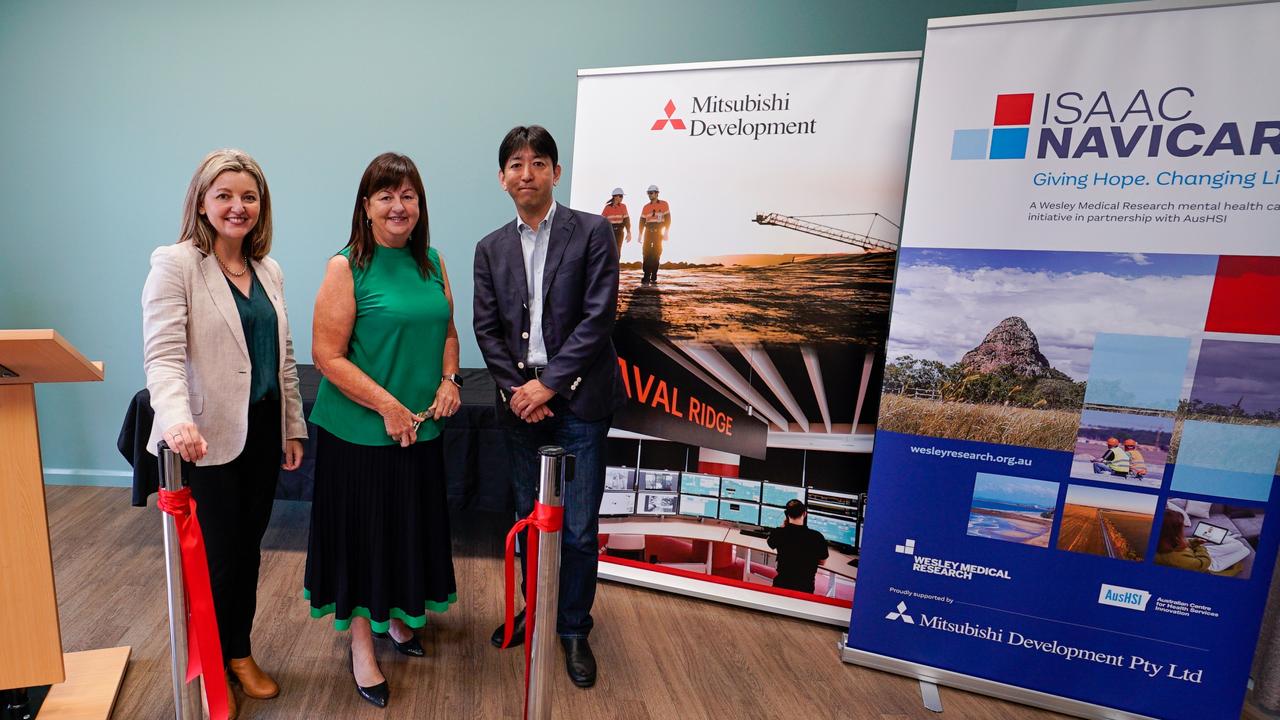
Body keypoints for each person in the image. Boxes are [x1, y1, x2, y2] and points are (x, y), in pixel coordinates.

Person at [142, 148, 307, 719]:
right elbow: (162, 357)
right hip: (203, 436)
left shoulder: (269, 270)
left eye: (249, 197)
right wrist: (175, 419)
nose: (238, 207)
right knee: (213, 559)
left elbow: (284, 357)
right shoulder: (176, 263)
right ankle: (207, 666)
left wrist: (292, 425)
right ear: (202, 202)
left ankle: (238, 652)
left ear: (262, 207)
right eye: (225, 196)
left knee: (247, 550)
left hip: (260, 432)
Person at [305, 153, 461, 709]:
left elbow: (447, 332)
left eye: (409, 196)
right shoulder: (346, 267)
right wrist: (389, 406)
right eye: (386, 196)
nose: (399, 207)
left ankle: (398, 618)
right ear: (366, 207)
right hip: (361, 436)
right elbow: (327, 355)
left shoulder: (434, 262)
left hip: (419, 433)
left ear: (420, 204)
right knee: (363, 541)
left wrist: (449, 380)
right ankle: (361, 647)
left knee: (404, 532)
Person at [473, 125, 624, 689]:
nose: (527, 173)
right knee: (527, 521)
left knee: (579, 528)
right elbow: (486, 328)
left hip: (579, 399)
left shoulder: (590, 233)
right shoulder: (489, 247)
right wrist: (520, 390)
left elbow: (598, 318)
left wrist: (550, 386)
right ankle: (531, 609)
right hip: (519, 401)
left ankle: (572, 628)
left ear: (556, 173)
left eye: (538, 163)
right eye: (515, 163)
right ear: (502, 177)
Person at [1154, 510, 1243, 577]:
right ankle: (1228, 537)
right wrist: (1200, 546)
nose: (1184, 527)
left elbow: (1180, 543)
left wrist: (1194, 542)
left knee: (1239, 545)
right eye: (1182, 525)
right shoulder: (1175, 558)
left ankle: (1228, 537)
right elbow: (1204, 563)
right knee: (1244, 549)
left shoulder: (1161, 540)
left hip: (1193, 553)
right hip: (1208, 564)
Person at [767, 500, 829, 593]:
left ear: (786, 514)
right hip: (805, 589)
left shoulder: (779, 533)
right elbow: (822, 562)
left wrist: (783, 527)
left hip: (781, 586)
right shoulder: (817, 537)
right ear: (805, 514)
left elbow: (770, 542)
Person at [637, 184, 671, 285]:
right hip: (648, 232)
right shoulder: (646, 207)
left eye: (651, 193)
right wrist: (640, 234)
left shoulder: (664, 204)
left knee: (656, 253)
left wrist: (666, 232)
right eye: (648, 193)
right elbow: (642, 221)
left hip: (658, 232)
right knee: (646, 253)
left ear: (657, 193)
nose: (650, 195)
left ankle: (654, 274)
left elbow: (668, 219)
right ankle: (646, 275)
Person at [601, 188, 631, 258]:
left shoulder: (623, 206)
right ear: (615, 196)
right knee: (609, 250)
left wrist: (628, 232)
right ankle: (608, 267)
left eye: (622, 196)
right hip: (609, 232)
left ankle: (615, 268)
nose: (621, 198)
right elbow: (602, 221)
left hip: (619, 232)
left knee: (617, 250)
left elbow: (626, 220)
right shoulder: (607, 208)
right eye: (620, 196)